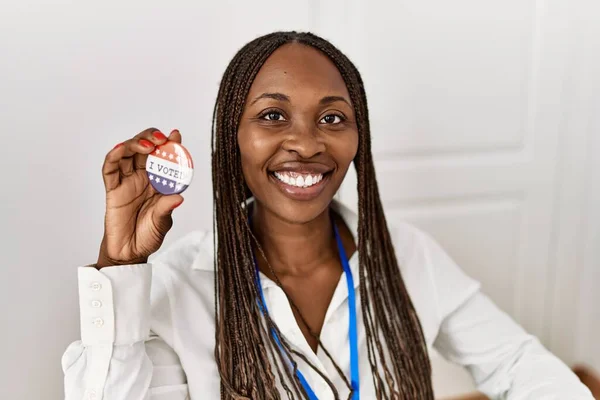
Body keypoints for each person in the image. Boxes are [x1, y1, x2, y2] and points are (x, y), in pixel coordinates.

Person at [61, 31, 593, 400]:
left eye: (333, 118)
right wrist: (119, 267)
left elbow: (521, 364)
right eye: (273, 116)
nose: (307, 143)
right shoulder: (183, 288)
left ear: (358, 139)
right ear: (232, 139)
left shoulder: (406, 256)